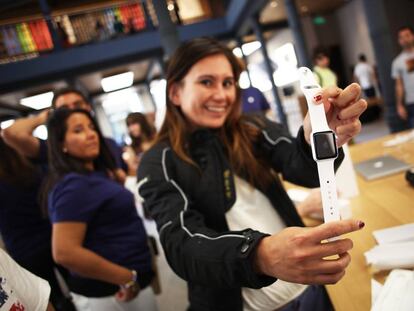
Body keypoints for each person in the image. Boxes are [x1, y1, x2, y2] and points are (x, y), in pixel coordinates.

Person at [137, 37, 367, 311]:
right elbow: (182, 244)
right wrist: (259, 255)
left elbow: (299, 164)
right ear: (175, 92)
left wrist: (316, 135)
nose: (222, 95)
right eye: (206, 82)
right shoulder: (158, 161)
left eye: (228, 82)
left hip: (309, 288)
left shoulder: (252, 127)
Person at [45, 108, 157, 310]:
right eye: (78, 130)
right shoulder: (72, 185)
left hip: (130, 284)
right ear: (61, 144)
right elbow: (64, 252)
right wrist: (125, 278)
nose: (90, 134)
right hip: (110, 293)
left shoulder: (95, 175)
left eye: (91, 127)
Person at [0, 128, 76, 311]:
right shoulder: (29, 166)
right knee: (75, 288)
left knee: (45, 296)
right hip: (52, 237)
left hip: (24, 249)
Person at [2, 87, 127, 182]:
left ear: (88, 107)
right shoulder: (51, 148)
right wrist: (42, 118)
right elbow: (10, 133)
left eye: (77, 105)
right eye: (64, 109)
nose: (73, 111)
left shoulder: (108, 144)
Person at [391, 25, 414, 128]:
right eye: (401, 37)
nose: (404, 39)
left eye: (407, 35)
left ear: (412, 36)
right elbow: (399, 85)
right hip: (411, 102)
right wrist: (399, 105)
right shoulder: (397, 62)